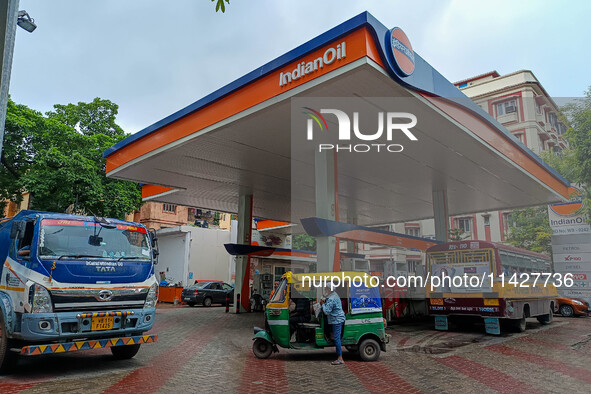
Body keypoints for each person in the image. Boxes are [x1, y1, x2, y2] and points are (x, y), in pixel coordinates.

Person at [320, 286, 346, 365]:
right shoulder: (334, 295)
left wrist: (322, 304)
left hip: (337, 320)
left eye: (326, 289)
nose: (325, 290)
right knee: (335, 336)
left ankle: (340, 358)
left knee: (337, 339)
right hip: (336, 319)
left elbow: (326, 311)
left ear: (329, 289)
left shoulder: (332, 298)